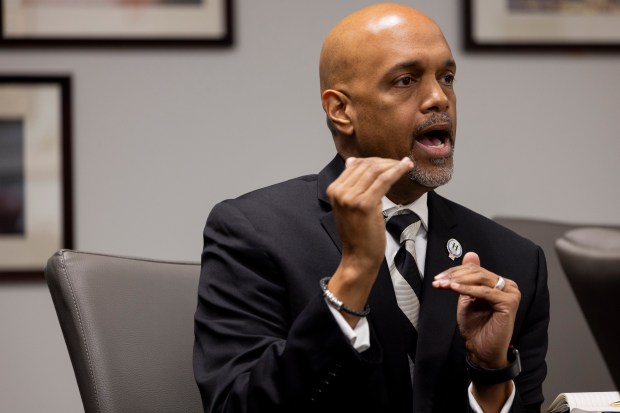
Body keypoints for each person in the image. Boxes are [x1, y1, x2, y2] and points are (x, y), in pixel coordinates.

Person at [193, 3, 549, 413]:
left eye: (447, 78)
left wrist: (490, 373)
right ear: (341, 110)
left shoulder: (516, 262)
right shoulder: (253, 231)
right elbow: (236, 406)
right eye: (405, 80)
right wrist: (354, 273)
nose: (439, 98)